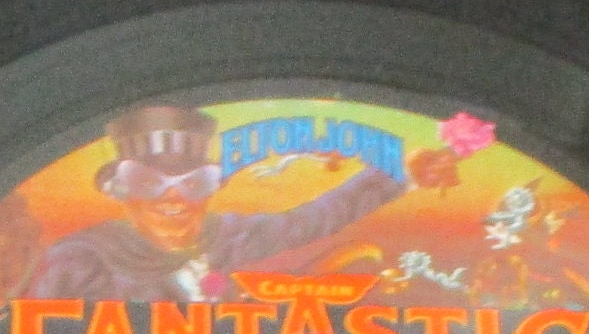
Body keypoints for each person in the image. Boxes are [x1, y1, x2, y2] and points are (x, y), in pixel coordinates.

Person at [25, 104, 458, 303]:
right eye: (150, 184)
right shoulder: (78, 259)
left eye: (193, 184)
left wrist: (400, 172)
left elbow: (314, 219)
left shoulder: (224, 236)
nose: (174, 199)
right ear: (122, 192)